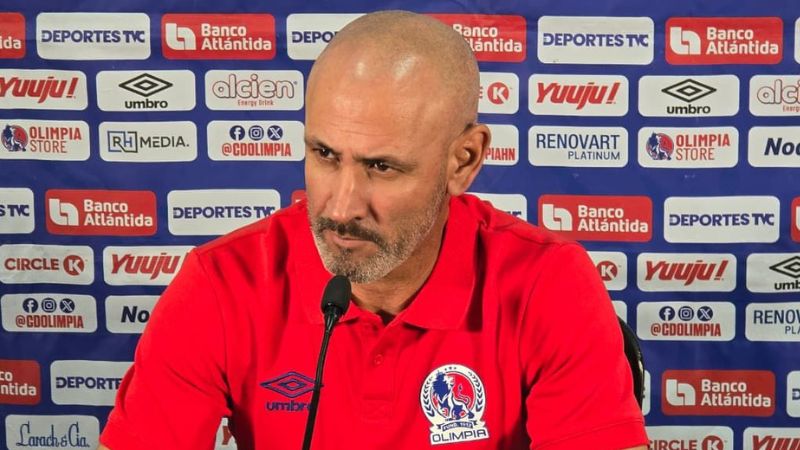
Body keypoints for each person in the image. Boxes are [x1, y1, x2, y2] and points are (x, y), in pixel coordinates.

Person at [98, 10, 648, 450]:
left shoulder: (549, 285)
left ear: (463, 160)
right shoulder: (221, 283)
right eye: (324, 155)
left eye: (381, 167)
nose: (341, 207)